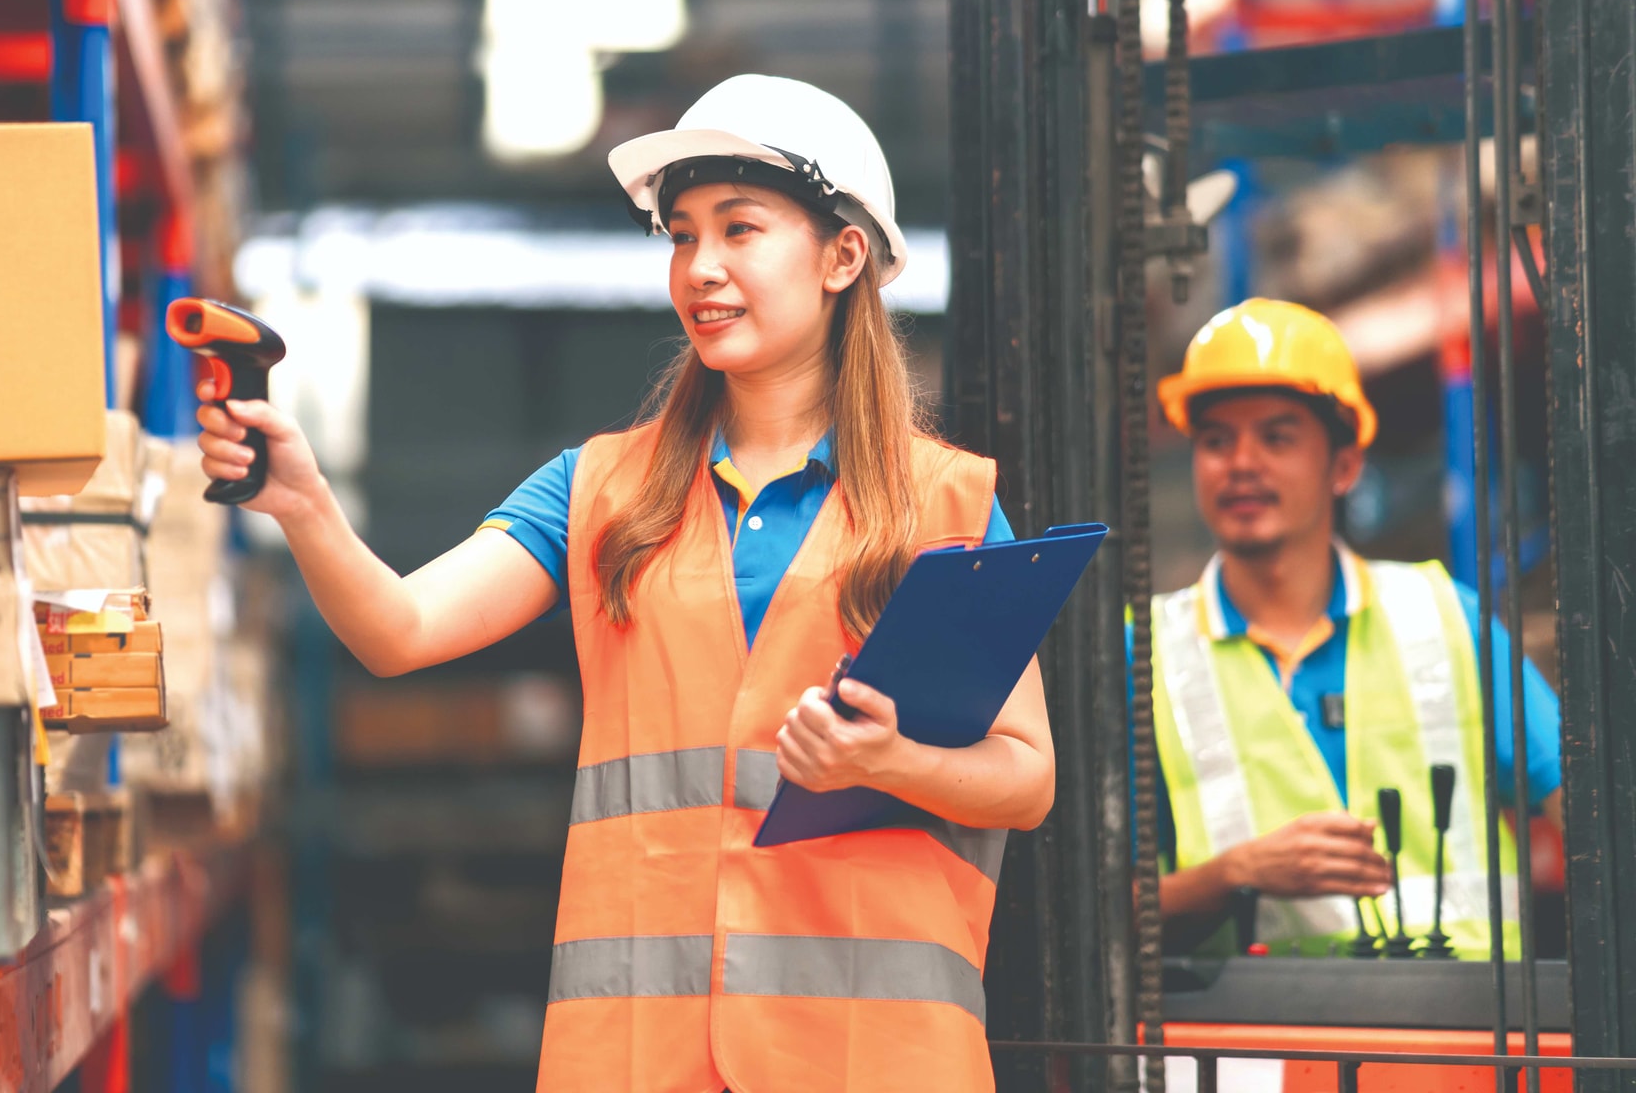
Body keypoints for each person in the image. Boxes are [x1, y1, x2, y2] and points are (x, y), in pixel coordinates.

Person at [195, 74, 1054, 1092]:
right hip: (646, 1060)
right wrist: (305, 503)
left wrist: (893, 758)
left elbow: (1025, 776)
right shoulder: (601, 490)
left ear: (843, 254)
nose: (703, 267)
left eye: (741, 230)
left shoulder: (943, 503)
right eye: (684, 236)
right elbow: (401, 628)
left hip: (871, 1060)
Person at [1137, 299, 1561, 958]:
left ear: (1344, 466)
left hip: (1467, 1036)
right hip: (1254, 1048)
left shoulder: (1443, 614)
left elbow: (1583, 808)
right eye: (1216, 440)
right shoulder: (1149, 653)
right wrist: (1235, 875)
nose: (1240, 463)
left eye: (1277, 438)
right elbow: (1099, 908)